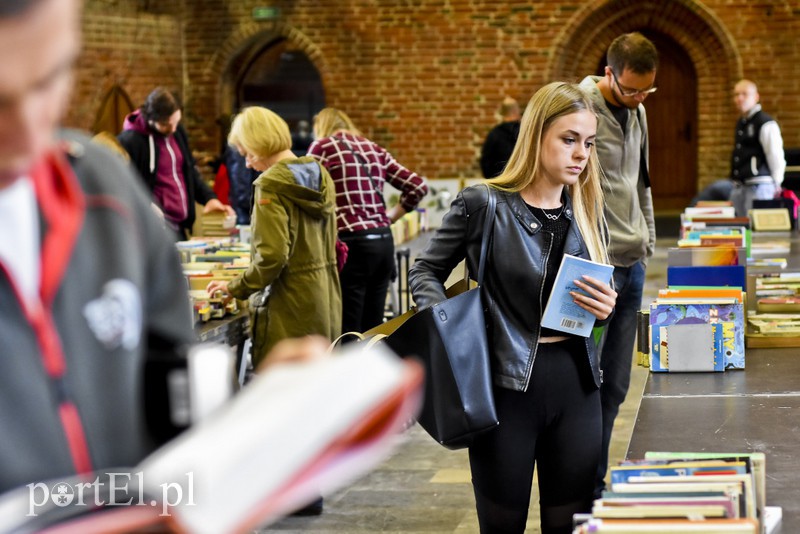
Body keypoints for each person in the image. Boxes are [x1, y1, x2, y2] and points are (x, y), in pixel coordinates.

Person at [0, 0, 197, 493]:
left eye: (50, 78)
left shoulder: (103, 187)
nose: (29, 129)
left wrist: (256, 420)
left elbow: (171, 386)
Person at [409, 82, 618, 534]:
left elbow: (599, 300)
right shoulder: (484, 204)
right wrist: (448, 326)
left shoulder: (587, 211)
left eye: (588, 143)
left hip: (578, 385)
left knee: (571, 525)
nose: (581, 154)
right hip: (504, 387)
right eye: (568, 140)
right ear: (536, 135)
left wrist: (607, 306)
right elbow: (424, 269)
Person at [578, 31, 658, 499]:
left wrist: (648, 236)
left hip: (634, 262)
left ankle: (595, 481)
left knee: (617, 386)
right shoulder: (580, 109)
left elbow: (641, 181)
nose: (639, 98)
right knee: (587, 381)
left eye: (647, 90)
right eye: (630, 90)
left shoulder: (640, 110)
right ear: (609, 73)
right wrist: (592, 251)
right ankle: (578, 482)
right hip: (597, 266)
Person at [206, 106, 341, 368]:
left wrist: (234, 287)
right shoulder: (320, 175)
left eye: (247, 154)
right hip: (325, 300)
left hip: (288, 307)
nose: (247, 163)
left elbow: (272, 256)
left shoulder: (270, 186)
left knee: (288, 390)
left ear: (259, 143)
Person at [308, 107, 428, 334]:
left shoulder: (323, 147)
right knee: (374, 329)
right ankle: (373, 368)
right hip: (383, 241)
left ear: (321, 127)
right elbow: (417, 186)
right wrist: (390, 217)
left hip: (350, 243)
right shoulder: (374, 148)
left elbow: (305, 190)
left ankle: (349, 369)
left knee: (347, 328)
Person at [118, 87, 234, 239]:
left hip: (180, 227)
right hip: (154, 228)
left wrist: (209, 198)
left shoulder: (177, 132)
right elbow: (127, 185)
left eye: (176, 123)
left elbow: (189, 171)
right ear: (150, 118)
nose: (172, 129)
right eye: (166, 125)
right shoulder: (130, 141)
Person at [728, 79, 786, 216]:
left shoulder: (765, 123)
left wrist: (777, 182)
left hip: (760, 186)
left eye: (744, 94)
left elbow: (775, 154)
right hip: (740, 186)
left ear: (756, 97)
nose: (739, 98)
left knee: (757, 231)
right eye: (736, 94)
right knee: (739, 229)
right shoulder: (742, 122)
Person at [480, 96, 522, 178]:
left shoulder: (494, 135)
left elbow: (486, 163)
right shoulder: (524, 133)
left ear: (503, 112)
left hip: (499, 184)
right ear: (515, 111)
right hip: (522, 183)